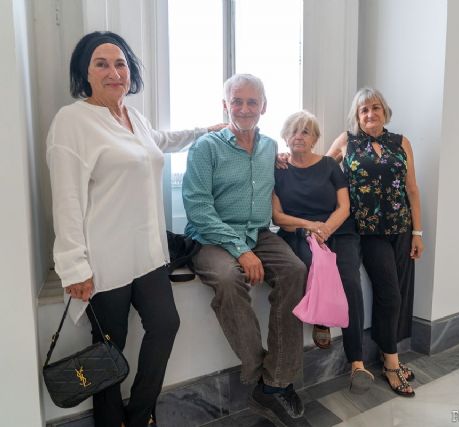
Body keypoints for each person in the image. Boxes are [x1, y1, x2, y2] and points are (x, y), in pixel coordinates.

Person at [46, 31, 218, 427]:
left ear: (130, 72)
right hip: (104, 260)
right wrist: (74, 266)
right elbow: (66, 199)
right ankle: (110, 421)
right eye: (101, 64)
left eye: (120, 63)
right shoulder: (72, 121)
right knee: (110, 346)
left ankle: (139, 414)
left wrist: (205, 131)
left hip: (148, 254)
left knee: (166, 325)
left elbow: (159, 142)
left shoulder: (132, 117)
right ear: (85, 73)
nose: (113, 72)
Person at [182, 74, 308, 426]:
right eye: (237, 101)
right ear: (226, 105)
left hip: (258, 232)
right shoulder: (206, 147)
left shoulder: (269, 148)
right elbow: (197, 207)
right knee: (226, 279)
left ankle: (276, 382)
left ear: (264, 107)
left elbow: (293, 167)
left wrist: (287, 158)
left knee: (296, 270)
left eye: (252, 102)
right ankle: (261, 375)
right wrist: (240, 250)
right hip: (211, 236)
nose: (244, 108)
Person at [326, 87, 424, 398]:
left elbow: (412, 190)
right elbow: (321, 174)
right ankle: (392, 364)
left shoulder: (401, 142)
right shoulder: (347, 141)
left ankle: (386, 353)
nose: (370, 114)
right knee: (390, 295)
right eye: (364, 110)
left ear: (385, 111)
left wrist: (418, 233)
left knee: (396, 295)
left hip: (401, 228)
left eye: (376, 108)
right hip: (368, 230)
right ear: (357, 116)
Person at [272, 111, 374, 394]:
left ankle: (357, 363)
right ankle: (321, 321)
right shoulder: (278, 170)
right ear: (285, 136)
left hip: (338, 231)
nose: (299, 136)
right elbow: (278, 216)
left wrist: (326, 229)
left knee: (350, 282)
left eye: (306, 131)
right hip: (300, 233)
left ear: (316, 138)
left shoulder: (329, 165)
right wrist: (309, 227)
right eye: (293, 130)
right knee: (311, 269)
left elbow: (345, 206)